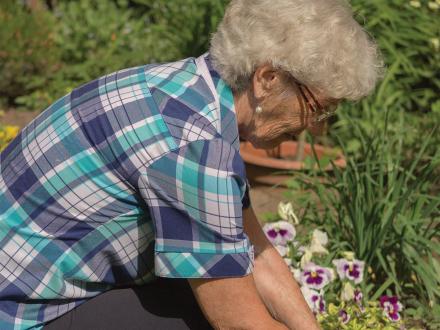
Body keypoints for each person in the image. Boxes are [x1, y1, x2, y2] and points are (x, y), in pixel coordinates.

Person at [0, 0, 385, 329]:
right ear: (267, 78)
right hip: (18, 312)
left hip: (20, 284)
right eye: (316, 109)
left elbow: (254, 249)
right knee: (200, 315)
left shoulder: (191, 91)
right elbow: (236, 320)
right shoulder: (195, 149)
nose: (316, 129)